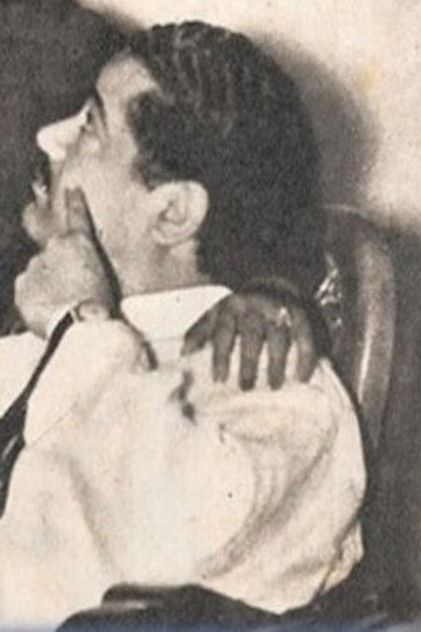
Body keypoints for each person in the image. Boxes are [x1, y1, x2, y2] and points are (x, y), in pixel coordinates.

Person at [0, 20, 365, 627]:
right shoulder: (39, 339)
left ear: (172, 212)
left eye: (90, 126)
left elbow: (159, 541)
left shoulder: (269, 372)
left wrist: (80, 324)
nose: (48, 137)